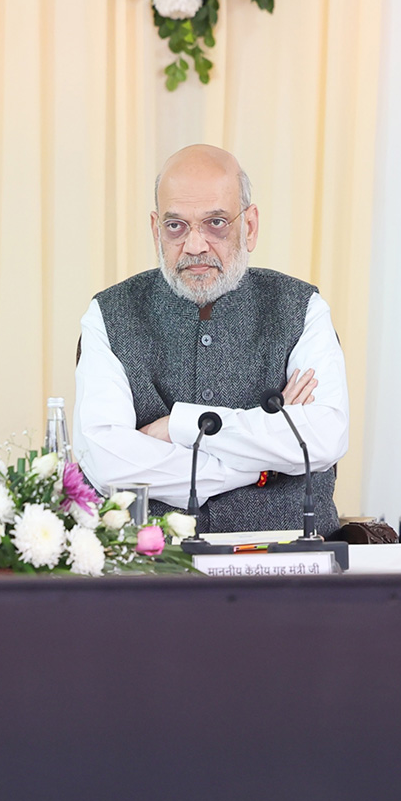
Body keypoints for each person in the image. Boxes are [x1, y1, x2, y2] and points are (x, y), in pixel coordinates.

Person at [72, 144, 347, 534]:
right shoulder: (109, 313)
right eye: (176, 226)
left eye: (215, 222)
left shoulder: (302, 307)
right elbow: (107, 462)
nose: (195, 245)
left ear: (249, 226)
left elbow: (322, 437)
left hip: (288, 558)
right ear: (156, 230)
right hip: (156, 561)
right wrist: (257, 466)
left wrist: (178, 426)